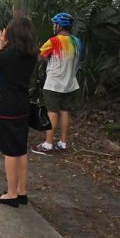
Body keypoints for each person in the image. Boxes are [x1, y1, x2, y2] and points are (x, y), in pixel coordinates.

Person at [0, 17, 38, 207]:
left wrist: (0, 46)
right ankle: (22, 191)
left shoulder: (8, 55)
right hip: (23, 105)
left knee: (9, 151)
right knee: (21, 149)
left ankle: (11, 193)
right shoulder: (32, 54)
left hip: (6, 105)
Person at [31, 12, 82, 155]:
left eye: (55, 24)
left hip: (54, 83)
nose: (54, 26)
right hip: (70, 82)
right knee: (65, 111)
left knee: (52, 112)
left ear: (59, 25)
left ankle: (48, 144)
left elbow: (39, 58)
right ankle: (63, 142)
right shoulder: (77, 42)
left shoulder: (53, 41)